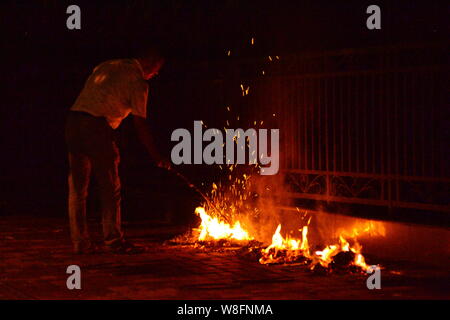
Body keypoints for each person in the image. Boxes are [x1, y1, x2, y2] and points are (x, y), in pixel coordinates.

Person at [65, 48, 170, 254]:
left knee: (77, 188)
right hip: (96, 126)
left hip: (73, 121)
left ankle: (80, 243)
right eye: (157, 70)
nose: (156, 74)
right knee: (109, 186)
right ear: (151, 62)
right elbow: (140, 124)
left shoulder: (108, 64)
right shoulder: (138, 82)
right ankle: (113, 240)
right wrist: (156, 156)